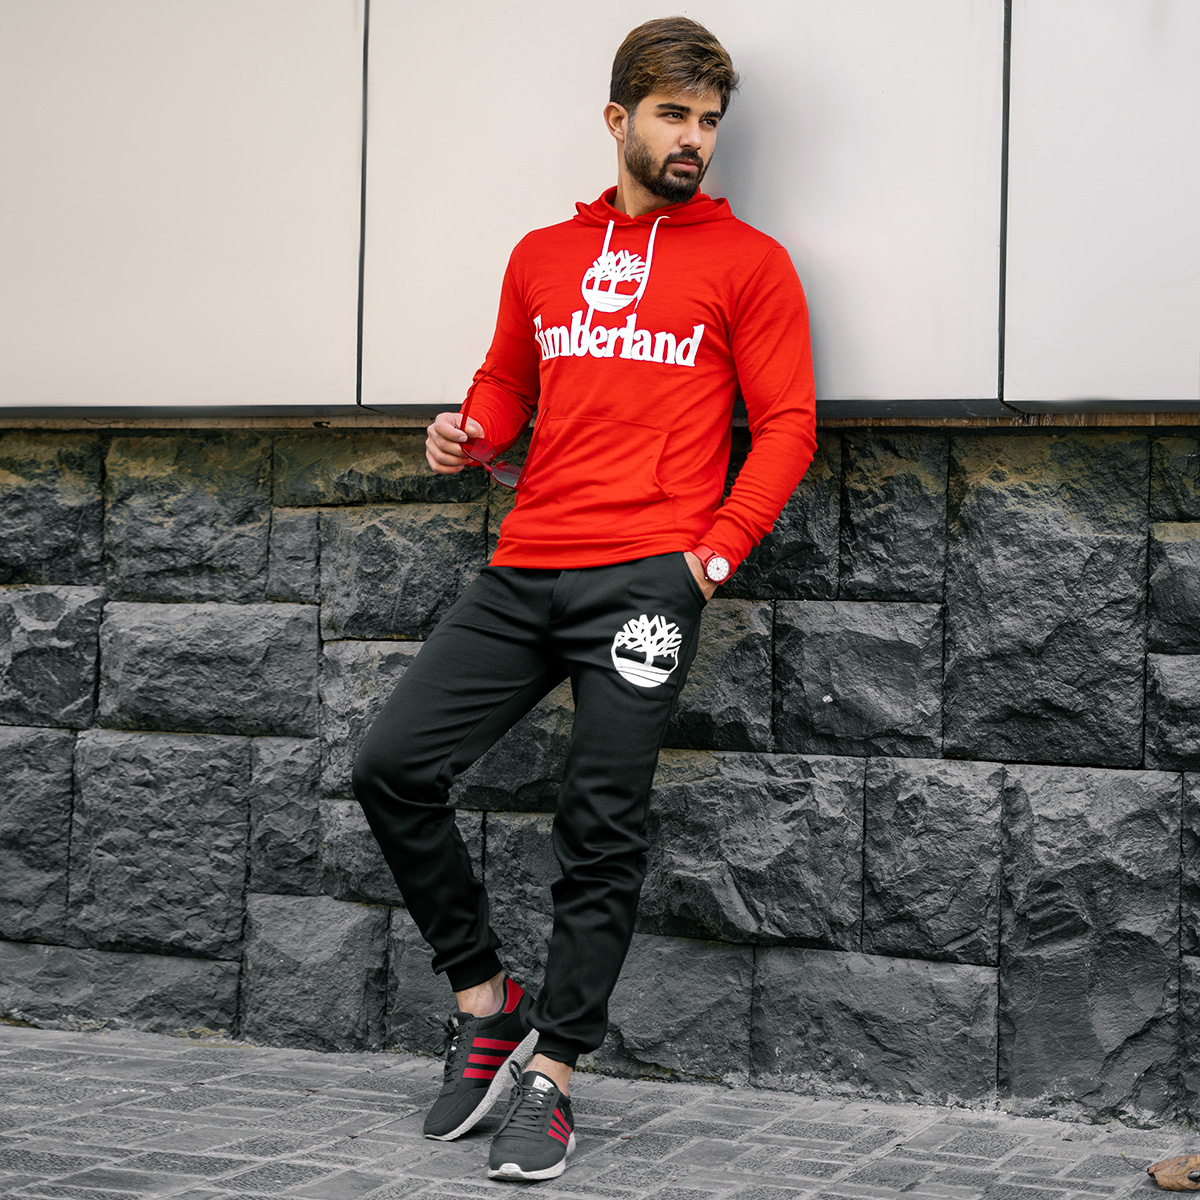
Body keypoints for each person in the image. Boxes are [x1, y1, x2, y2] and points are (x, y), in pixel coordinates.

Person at [352, 15, 816, 1182]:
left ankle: (553, 1076)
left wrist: (710, 558)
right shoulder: (543, 255)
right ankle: (486, 1000)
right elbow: (508, 382)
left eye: (709, 120)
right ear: (619, 119)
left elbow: (788, 426)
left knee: (600, 824)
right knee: (392, 766)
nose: (693, 138)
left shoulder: (750, 264)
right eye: (672, 115)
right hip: (525, 568)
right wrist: (470, 433)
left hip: (649, 583)